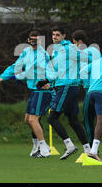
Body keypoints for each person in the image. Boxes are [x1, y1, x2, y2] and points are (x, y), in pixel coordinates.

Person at [0, 30, 53, 158]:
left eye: (36, 40)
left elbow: (44, 71)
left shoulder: (42, 54)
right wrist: (3, 77)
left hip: (42, 90)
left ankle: (44, 148)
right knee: (28, 119)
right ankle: (36, 145)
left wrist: (49, 81)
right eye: (32, 39)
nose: (34, 42)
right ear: (28, 40)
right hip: (34, 90)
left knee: (33, 119)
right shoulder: (26, 52)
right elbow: (16, 66)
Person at [38, 26, 90, 160]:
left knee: (52, 117)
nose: (54, 37)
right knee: (73, 121)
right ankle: (89, 151)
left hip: (67, 86)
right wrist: (46, 80)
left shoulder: (69, 48)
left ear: (64, 36)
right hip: (64, 86)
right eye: (53, 34)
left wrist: (80, 75)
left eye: (57, 35)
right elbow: (55, 71)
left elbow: (87, 58)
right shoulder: (55, 51)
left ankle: (69, 145)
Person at [71, 30, 101, 146]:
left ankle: (91, 147)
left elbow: (83, 73)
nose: (75, 46)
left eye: (75, 43)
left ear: (80, 41)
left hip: (91, 89)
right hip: (100, 88)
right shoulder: (94, 50)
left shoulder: (87, 53)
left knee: (87, 119)